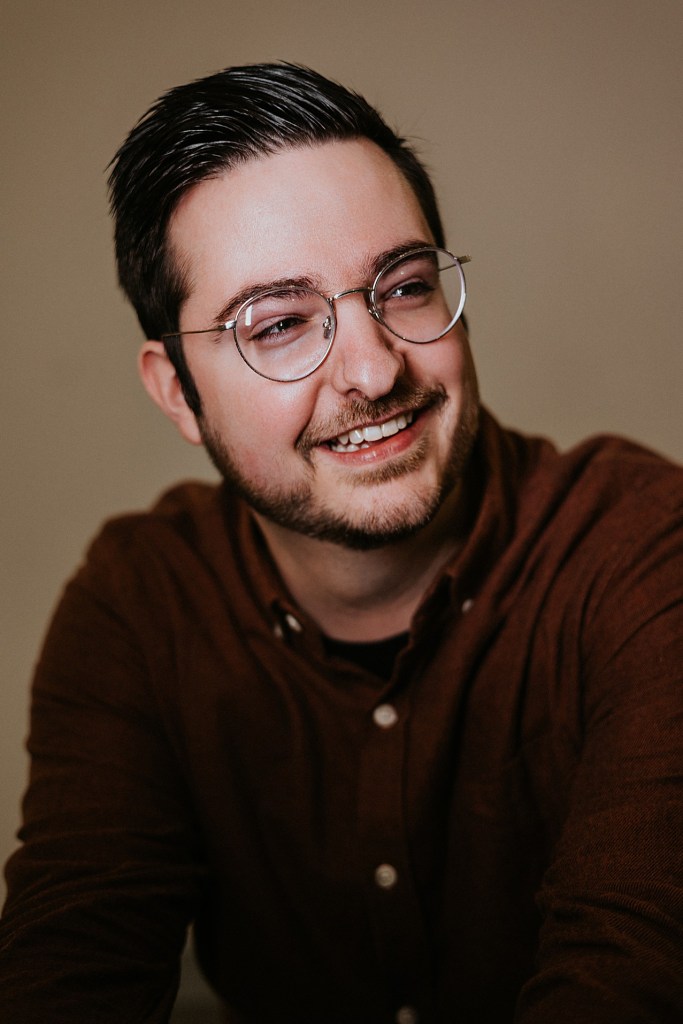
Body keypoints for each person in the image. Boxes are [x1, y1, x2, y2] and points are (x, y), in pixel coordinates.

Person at [0, 62, 681, 1024]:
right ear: (177, 393)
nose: (372, 369)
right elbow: (74, 960)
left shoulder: (645, 549)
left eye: (403, 287)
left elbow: (636, 974)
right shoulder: (140, 602)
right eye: (280, 323)